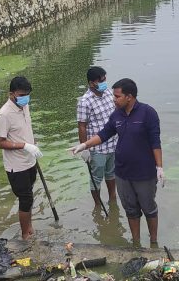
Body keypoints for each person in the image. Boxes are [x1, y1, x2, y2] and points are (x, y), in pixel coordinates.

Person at [69, 78, 164, 245]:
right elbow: (104, 134)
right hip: (122, 172)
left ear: (129, 97)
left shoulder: (148, 113)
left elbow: (155, 142)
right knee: (131, 210)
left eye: (117, 96)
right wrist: (84, 145)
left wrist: (160, 167)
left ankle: (154, 242)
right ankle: (136, 243)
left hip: (144, 173)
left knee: (149, 208)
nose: (113, 99)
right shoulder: (117, 115)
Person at [0, 76, 44, 241]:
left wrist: (33, 143)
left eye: (27, 94)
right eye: (22, 94)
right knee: (25, 199)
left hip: (30, 160)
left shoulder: (25, 106)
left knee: (29, 195)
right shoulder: (4, 114)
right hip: (16, 165)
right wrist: (24, 145)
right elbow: (0, 142)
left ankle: (29, 227)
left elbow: (25, 128)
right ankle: (25, 235)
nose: (25, 97)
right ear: (11, 94)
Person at [77, 66, 118, 205]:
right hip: (97, 148)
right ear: (91, 83)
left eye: (104, 79)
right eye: (100, 80)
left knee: (112, 174)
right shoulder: (85, 101)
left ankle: (113, 199)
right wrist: (85, 149)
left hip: (113, 143)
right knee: (96, 178)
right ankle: (97, 205)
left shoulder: (107, 92)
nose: (104, 82)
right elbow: (82, 126)